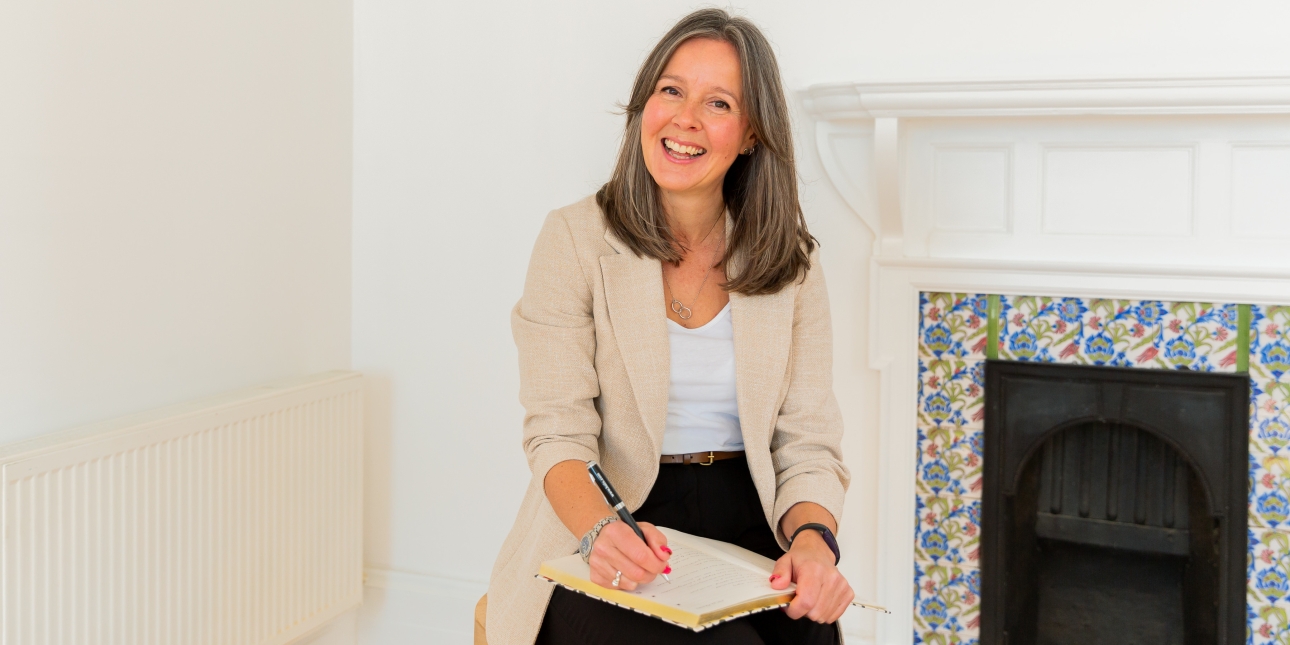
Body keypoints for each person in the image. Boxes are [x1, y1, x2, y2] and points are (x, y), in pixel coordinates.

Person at [486, 8, 853, 645]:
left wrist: (815, 544)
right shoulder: (574, 240)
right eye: (671, 91)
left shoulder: (791, 259)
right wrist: (602, 532)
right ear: (644, 106)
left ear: (751, 135)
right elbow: (558, 434)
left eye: (718, 103)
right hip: (617, 515)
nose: (685, 119)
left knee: (812, 637)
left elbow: (808, 441)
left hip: (752, 515)